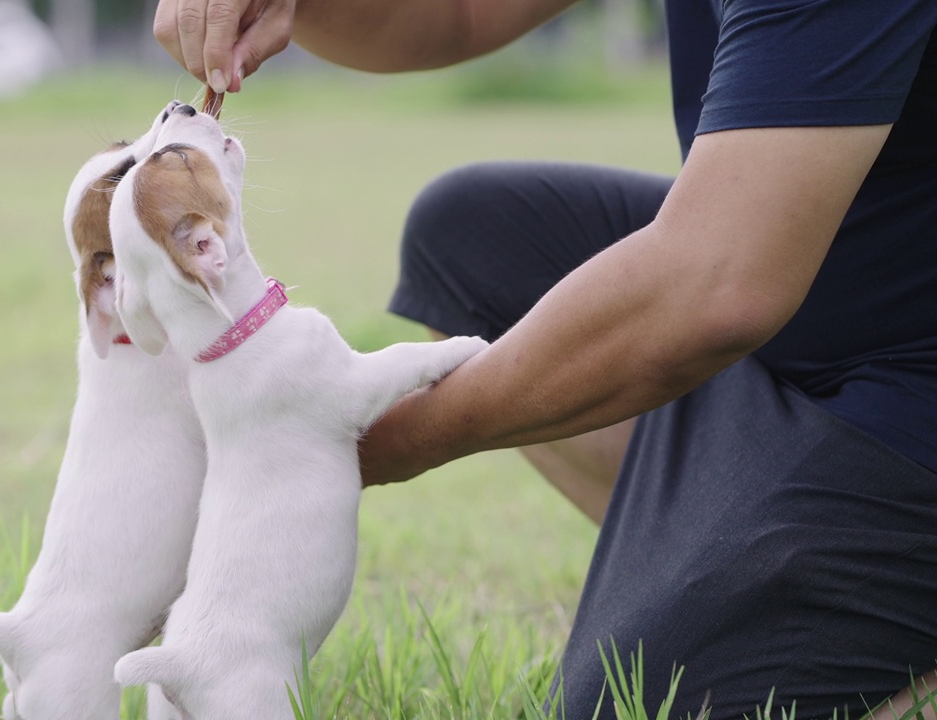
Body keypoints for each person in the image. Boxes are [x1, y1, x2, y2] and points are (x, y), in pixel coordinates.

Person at [149, 0, 937, 718]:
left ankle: (808, 575)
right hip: (813, 301)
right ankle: (730, 556)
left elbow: (717, 281)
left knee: (634, 704)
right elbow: (456, 15)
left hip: (903, 374)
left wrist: (372, 441)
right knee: (472, 240)